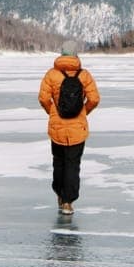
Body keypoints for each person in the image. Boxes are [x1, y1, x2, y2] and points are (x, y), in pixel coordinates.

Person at [38, 42, 100, 214]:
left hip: (57, 127)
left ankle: (59, 194)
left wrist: (52, 111)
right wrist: (83, 112)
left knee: (58, 162)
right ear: (75, 55)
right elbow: (94, 99)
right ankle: (68, 202)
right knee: (73, 164)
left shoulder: (52, 75)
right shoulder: (84, 75)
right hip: (77, 129)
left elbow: (43, 98)